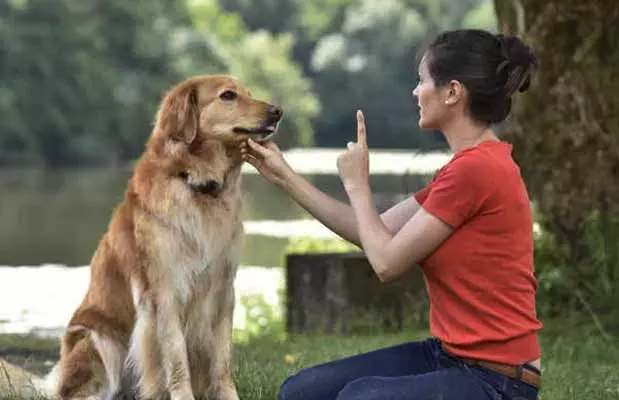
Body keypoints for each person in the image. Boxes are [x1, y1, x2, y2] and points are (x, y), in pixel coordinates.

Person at [240, 28, 543, 400]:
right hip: (449, 357)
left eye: (422, 81)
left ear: (452, 92)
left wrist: (358, 185)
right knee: (301, 392)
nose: (416, 92)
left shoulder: (477, 171)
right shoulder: (462, 170)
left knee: (360, 398)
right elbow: (376, 232)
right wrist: (285, 177)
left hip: (498, 379)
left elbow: (386, 263)